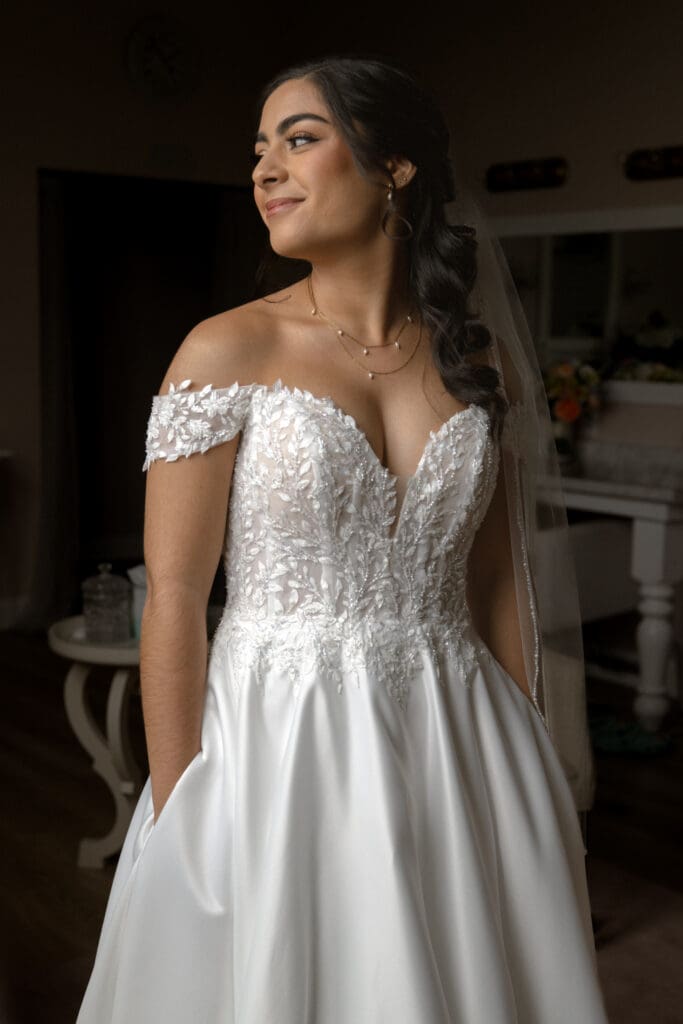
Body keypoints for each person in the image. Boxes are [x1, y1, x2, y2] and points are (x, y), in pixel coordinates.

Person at [76, 54, 610, 1023]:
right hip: (282, 741)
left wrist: (526, 753)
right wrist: (179, 804)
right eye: (258, 149)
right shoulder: (226, 347)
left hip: (461, 733)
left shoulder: (471, 358)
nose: (264, 170)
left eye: (300, 138)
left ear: (394, 168)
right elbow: (177, 596)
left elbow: (494, 582)